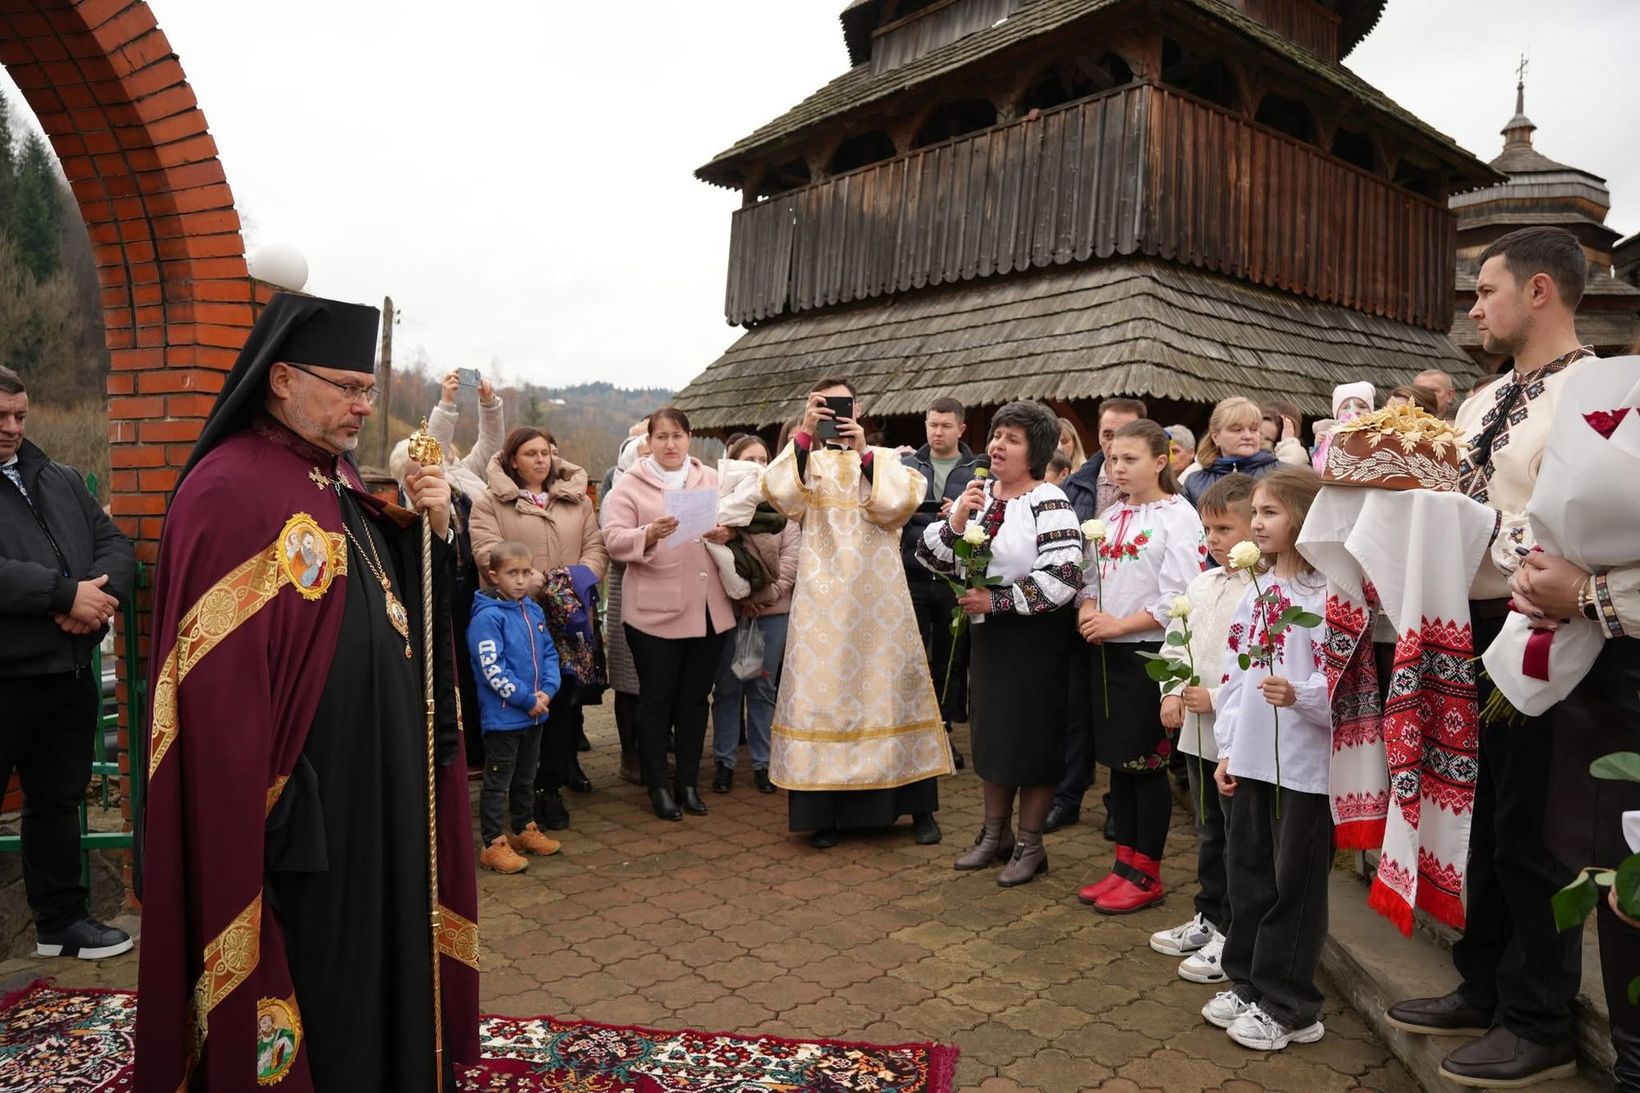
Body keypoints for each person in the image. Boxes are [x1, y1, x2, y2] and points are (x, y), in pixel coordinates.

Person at [135, 293, 478, 1089]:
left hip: (380, 794)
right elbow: (214, 690)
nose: (363, 405)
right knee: (324, 995)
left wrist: (434, 534)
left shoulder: (336, 477)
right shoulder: (227, 489)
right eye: (348, 388)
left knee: (379, 983)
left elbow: (395, 602)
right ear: (283, 379)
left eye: (367, 389)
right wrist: (269, 801)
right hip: (304, 813)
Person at [1386, 225, 1595, 1088]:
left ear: (1539, 290)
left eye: (1486, 291)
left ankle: (1539, 1017)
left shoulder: (1599, 395)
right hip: (1465, 621)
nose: (1474, 309)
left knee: (1534, 824)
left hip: (1548, 625)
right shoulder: (1480, 400)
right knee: (1479, 810)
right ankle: (1483, 983)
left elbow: (1585, 517)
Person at [1499, 352, 1640, 1086]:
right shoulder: (1610, 389)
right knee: (1622, 876)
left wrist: (1591, 594)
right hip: (1615, 675)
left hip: (1612, 635)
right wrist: (1546, 571)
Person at [763, 378, 954, 849]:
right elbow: (781, 497)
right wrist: (804, 434)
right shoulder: (804, 459)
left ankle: (919, 808)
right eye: (822, 406)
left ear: (858, 409)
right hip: (822, 605)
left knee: (894, 695)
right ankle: (826, 817)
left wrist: (864, 451)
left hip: (881, 603)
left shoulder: (885, 459)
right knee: (824, 701)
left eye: (841, 405)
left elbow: (896, 507)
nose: (834, 413)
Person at [0, 365, 136, 961]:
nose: (12, 428)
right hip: (6, 676)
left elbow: (115, 544)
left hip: (68, 672)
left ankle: (61, 925)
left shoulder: (59, 477)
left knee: (56, 803)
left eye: (20, 415)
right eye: (1, 417)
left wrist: (96, 599)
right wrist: (62, 595)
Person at [917, 400, 1083, 886]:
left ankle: (1031, 844)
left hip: (1035, 641)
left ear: (1036, 451)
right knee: (992, 737)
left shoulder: (1049, 501)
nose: (997, 446)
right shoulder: (981, 495)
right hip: (989, 638)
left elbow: (1064, 576)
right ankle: (995, 836)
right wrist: (958, 517)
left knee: (1031, 741)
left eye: (1012, 439)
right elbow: (931, 557)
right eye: (996, 436)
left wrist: (998, 600)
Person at [1204, 467, 1332, 1053]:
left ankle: (1291, 1005)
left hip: (1304, 766)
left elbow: (1350, 687)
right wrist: (1229, 748)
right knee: (1248, 875)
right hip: (1254, 756)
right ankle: (1248, 982)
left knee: (1293, 887)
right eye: (1255, 512)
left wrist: (1301, 695)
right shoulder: (1260, 591)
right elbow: (1235, 679)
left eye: (1270, 512)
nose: (1256, 523)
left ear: (1304, 518)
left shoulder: (1329, 595)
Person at [1076, 419, 1204, 914]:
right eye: (1113, 459)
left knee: (1146, 766)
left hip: (1149, 654)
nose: (1118, 468)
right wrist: (1089, 609)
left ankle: (1147, 873)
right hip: (1108, 650)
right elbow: (1091, 576)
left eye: (1131, 459)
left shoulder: (1179, 517)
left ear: (1161, 461)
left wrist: (1119, 624)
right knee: (1119, 765)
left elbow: (1180, 598)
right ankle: (1123, 865)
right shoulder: (1111, 514)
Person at [469, 426, 607, 830]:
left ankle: (550, 789)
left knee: (562, 704)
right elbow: (486, 553)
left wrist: (575, 582)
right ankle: (517, 794)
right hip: (516, 617)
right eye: (530, 453)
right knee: (519, 702)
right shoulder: (490, 503)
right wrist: (535, 583)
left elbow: (595, 548)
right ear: (513, 459)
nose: (540, 459)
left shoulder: (577, 500)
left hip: (568, 620)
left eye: (545, 452)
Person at [601, 408, 735, 820]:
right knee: (656, 701)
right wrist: (648, 533)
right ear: (649, 442)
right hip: (654, 613)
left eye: (677, 435)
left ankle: (688, 783)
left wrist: (728, 531)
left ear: (689, 438)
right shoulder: (629, 484)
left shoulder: (711, 478)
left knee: (695, 700)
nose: (670, 444)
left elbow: (737, 522)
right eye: (662, 437)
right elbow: (612, 539)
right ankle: (658, 785)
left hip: (708, 608)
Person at [1149, 473, 1255, 984]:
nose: (1212, 540)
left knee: (1237, 838)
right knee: (1209, 831)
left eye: (1224, 529)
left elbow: (1257, 662)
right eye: (1208, 530)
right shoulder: (1201, 584)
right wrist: (1171, 690)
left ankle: (1234, 930)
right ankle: (1209, 915)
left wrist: (1215, 697)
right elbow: (1176, 641)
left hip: (1237, 737)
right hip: (1198, 734)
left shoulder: (1262, 592)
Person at [1051, 396, 1146, 836]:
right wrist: (1081, 606)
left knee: (1121, 717)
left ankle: (1117, 804)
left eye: (1125, 435)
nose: (1113, 445)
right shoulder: (1076, 485)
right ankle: (1067, 797)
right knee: (1074, 712)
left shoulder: (1161, 498)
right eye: (1107, 434)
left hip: (1132, 624)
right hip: (1079, 616)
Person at [710, 435, 798, 795]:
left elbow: (791, 561)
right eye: (750, 459)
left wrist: (763, 596)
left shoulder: (782, 508)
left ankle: (763, 762)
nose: (758, 466)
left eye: (764, 459)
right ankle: (724, 762)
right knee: (728, 688)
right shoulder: (721, 509)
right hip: (733, 614)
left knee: (763, 688)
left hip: (772, 613)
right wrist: (741, 599)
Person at [468, 541, 563, 873]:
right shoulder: (487, 618)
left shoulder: (532, 610)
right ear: (494, 576)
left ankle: (524, 829)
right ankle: (493, 843)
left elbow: (549, 653)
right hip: (504, 718)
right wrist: (526, 699)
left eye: (526, 572)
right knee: (498, 782)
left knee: (526, 777)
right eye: (512, 573)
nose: (521, 580)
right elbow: (492, 668)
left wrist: (547, 692)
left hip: (535, 715)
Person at [902, 396, 981, 768]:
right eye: (933, 424)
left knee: (951, 657)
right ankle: (913, 730)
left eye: (946, 426)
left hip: (953, 579)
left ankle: (943, 732)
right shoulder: (906, 466)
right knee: (913, 654)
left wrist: (961, 513)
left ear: (960, 428)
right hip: (911, 573)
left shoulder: (977, 471)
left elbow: (987, 517)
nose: (938, 432)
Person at [602, 425, 649, 785]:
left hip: (664, 598)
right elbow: (615, 550)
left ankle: (652, 751)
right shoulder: (617, 494)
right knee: (628, 684)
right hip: (628, 598)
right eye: (643, 455)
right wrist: (650, 539)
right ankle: (629, 754)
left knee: (654, 683)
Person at [1181, 397, 1285, 508]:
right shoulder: (1194, 482)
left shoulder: (1283, 474)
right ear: (1216, 437)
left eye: (1253, 429)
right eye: (1237, 430)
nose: (1248, 436)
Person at [1309, 383, 1375, 476]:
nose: (1355, 410)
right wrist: (1319, 447)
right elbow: (1319, 469)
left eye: (1362, 407)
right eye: (1346, 407)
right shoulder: (1330, 435)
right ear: (1337, 414)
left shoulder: (1376, 434)